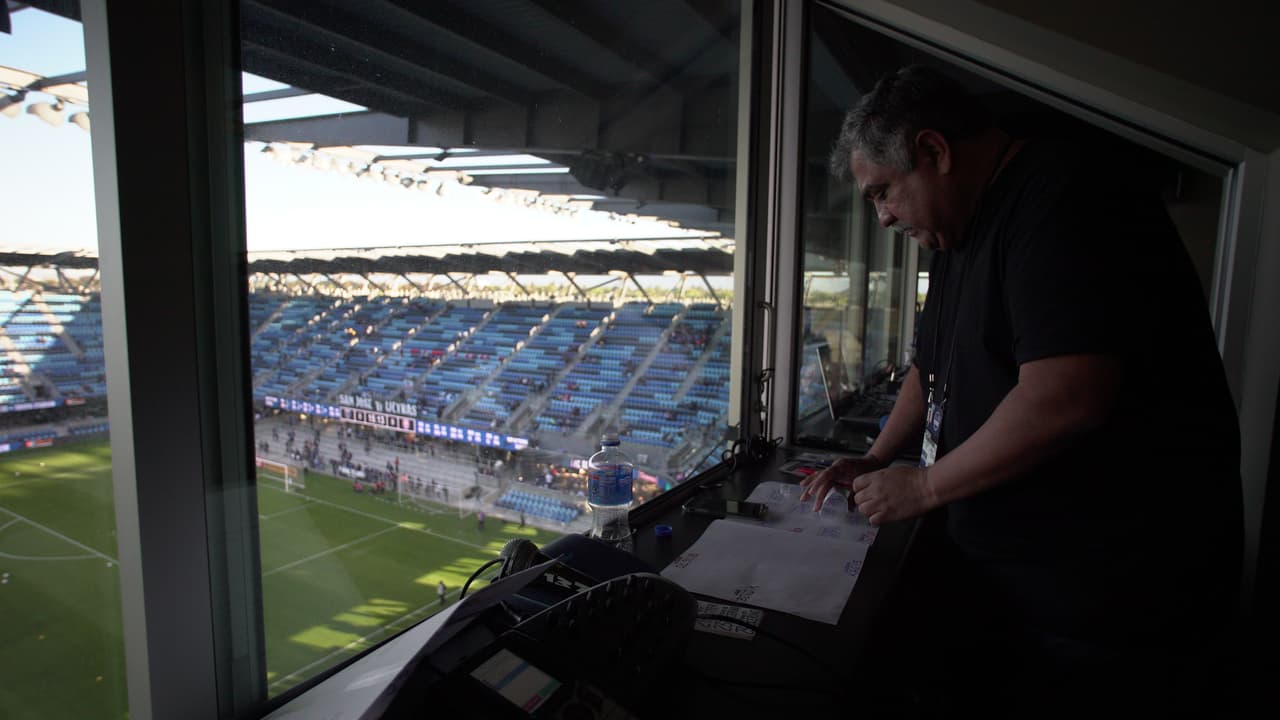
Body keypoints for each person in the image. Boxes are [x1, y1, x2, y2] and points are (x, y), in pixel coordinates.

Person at [801, 65, 1242, 717]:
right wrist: (877, 457)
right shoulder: (957, 238)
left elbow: (1067, 394)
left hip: (1107, 606)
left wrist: (922, 486)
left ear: (934, 151)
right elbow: (930, 370)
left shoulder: (1066, 195)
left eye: (883, 193)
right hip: (1025, 593)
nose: (885, 215)